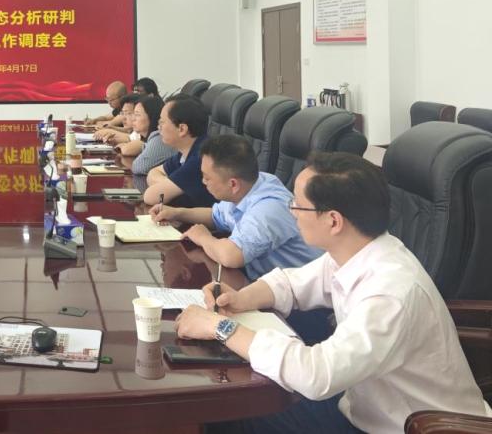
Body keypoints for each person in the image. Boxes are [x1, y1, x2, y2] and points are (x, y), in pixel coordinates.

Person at [176, 152, 492, 434]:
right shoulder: (356, 251)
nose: (291, 211)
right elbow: (291, 283)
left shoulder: (389, 293)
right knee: (240, 404)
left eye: (297, 204)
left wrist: (221, 328)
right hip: (362, 403)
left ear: (333, 220)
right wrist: (240, 298)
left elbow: (317, 374)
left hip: (410, 426)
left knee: (233, 416)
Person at [151, 134, 320, 279]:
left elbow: (231, 256)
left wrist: (203, 238)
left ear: (233, 184)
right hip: (266, 281)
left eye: (207, 178)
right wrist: (177, 213)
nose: (203, 182)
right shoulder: (251, 184)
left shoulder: (267, 210)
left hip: (301, 297)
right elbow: (216, 216)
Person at [142, 94, 215, 208]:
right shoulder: (185, 152)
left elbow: (151, 196)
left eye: (162, 122)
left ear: (182, 129)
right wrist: (169, 185)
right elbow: (153, 173)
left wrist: (168, 187)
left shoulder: (201, 158)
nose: (158, 127)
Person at [130, 96, 176, 174]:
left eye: (137, 115)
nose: (133, 119)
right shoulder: (154, 138)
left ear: (152, 116)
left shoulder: (160, 138)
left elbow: (139, 167)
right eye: (133, 114)